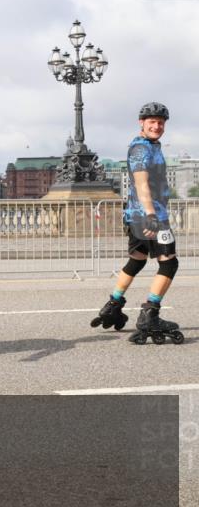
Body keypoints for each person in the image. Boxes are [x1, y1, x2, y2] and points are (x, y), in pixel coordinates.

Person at [91, 102, 184, 344]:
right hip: (150, 216)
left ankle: (113, 303)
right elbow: (142, 184)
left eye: (161, 122)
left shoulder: (151, 146)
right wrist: (152, 215)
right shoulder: (141, 149)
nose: (157, 125)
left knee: (137, 260)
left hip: (137, 215)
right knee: (169, 264)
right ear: (141, 123)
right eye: (152, 121)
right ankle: (150, 314)